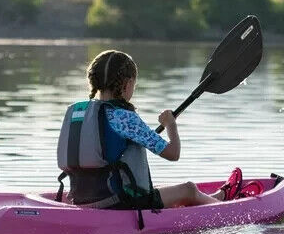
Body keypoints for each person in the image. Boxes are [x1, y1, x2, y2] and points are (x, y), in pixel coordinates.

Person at [56, 50, 247, 212]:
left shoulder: (77, 113)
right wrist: (171, 125)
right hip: (120, 203)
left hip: (81, 199)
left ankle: (217, 197)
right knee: (188, 189)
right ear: (127, 84)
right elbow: (173, 154)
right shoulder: (125, 118)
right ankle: (230, 208)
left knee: (159, 189)